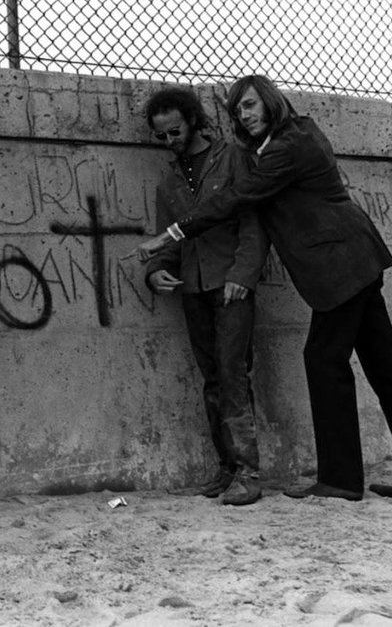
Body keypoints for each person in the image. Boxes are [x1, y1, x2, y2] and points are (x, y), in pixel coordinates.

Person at [135, 75, 392, 502]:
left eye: (249, 105)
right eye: (237, 111)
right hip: (352, 261)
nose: (243, 115)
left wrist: (171, 234)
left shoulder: (290, 144)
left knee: (323, 359)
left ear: (270, 100)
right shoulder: (277, 144)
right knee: (387, 369)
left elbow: (237, 198)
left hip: (341, 264)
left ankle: (341, 479)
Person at [144, 87, 270, 506]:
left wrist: (244, 274)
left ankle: (249, 473)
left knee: (234, 376)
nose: (169, 142)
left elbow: (253, 221)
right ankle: (227, 468)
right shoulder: (169, 179)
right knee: (213, 380)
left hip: (230, 283)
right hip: (193, 288)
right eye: (161, 136)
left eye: (175, 131)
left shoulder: (233, 157)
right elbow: (168, 236)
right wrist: (156, 270)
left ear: (194, 121)